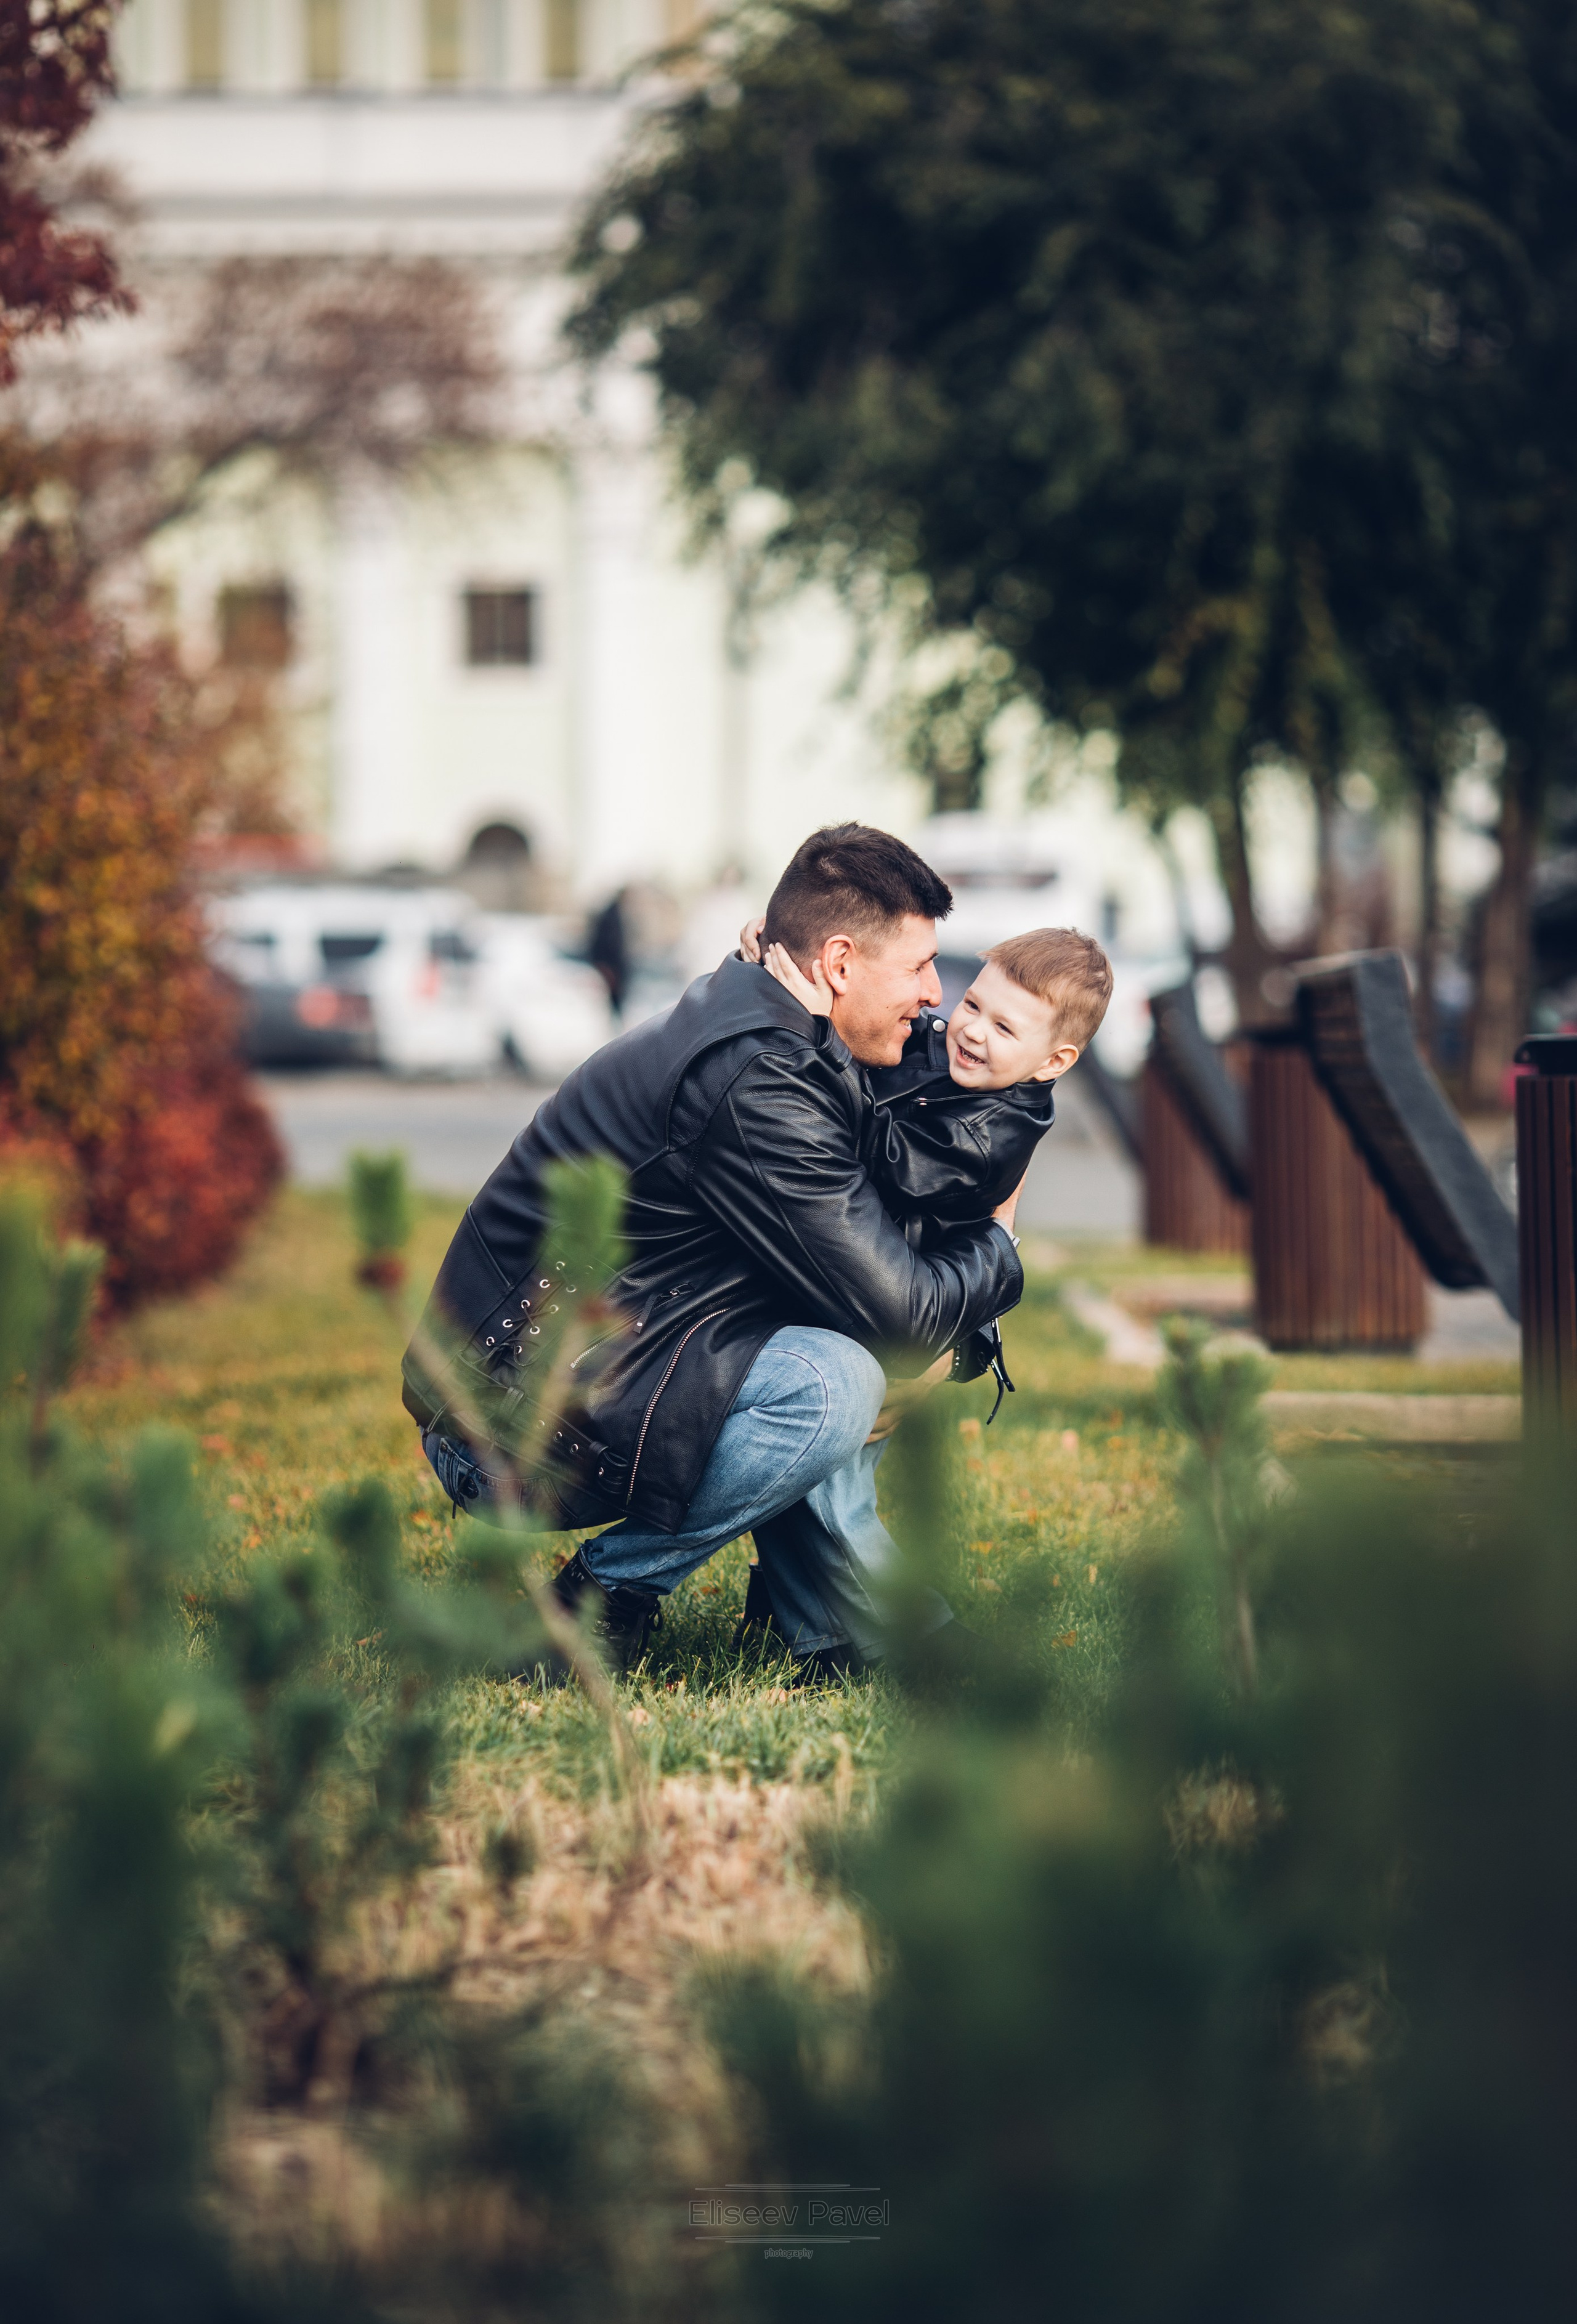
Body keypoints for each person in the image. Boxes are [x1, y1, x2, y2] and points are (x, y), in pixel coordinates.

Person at [402, 824, 1024, 1683]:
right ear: (838, 964)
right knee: (829, 1383)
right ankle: (599, 1600)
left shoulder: (778, 1021)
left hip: (588, 1374)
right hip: (505, 1427)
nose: (935, 995)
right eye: (919, 966)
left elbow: (911, 1153)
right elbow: (902, 1314)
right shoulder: (755, 1078)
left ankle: (824, 1625)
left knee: (824, 1329)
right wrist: (1003, 1245)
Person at [729, 922, 1113, 1652]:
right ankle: (810, 1634)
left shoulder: (994, 1131)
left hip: (914, 1324)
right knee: (805, 1477)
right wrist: (773, 972)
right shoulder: (948, 1050)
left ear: (1054, 1060)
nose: (970, 1031)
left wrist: (815, 1044)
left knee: (834, 1495)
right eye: (973, 1005)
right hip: (865, 1296)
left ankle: (931, 1640)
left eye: (1004, 1027)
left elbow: (889, 1155)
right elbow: (872, 1039)